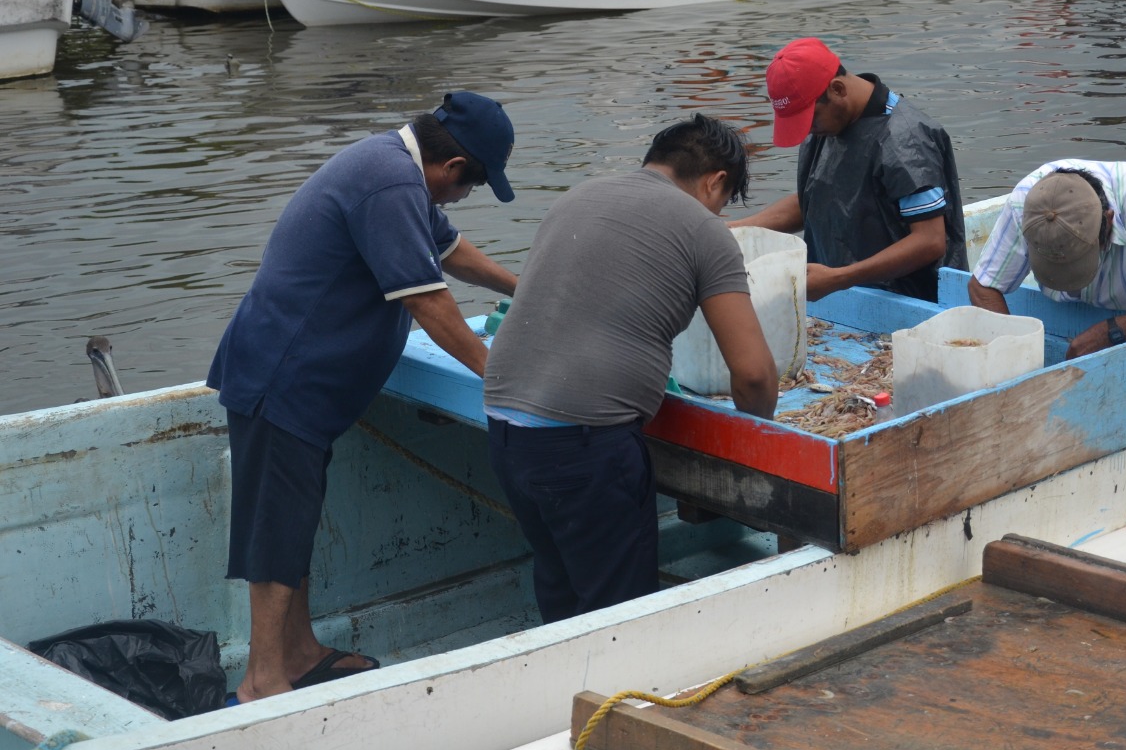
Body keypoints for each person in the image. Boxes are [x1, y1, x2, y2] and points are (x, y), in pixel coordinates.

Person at [208, 90, 520, 702]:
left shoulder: (395, 168)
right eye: (471, 186)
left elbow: (451, 252)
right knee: (275, 527)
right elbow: (428, 299)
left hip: (305, 385)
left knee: (293, 520)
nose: (462, 199)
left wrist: (529, 286)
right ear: (453, 168)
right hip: (284, 378)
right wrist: (500, 373)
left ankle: (298, 653)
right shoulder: (389, 183)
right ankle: (261, 681)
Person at [482, 114, 777, 623]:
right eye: (725, 201)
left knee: (561, 588)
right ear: (716, 181)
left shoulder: (577, 197)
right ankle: (612, 698)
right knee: (617, 615)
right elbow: (752, 375)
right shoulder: (705, 231)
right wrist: (760, 440)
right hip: (585, 445)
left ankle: (565, 689)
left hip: (505, 427)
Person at [730, 38, 967, 303]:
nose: (807, 131)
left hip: (906, 301)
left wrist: (840, 278)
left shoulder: (906, 139)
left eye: (809, 120)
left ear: (838, 89)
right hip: (835, 291)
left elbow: (929, 241)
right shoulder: (827, 124)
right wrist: (737, 229)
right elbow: (814, 198)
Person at [967, 160, 1126, 358]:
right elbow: (982, 287)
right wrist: (1015, 353)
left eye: (1076, 262)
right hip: (1067, 317)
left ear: (1107, 224)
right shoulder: (1025, 204)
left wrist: (1110, 332)